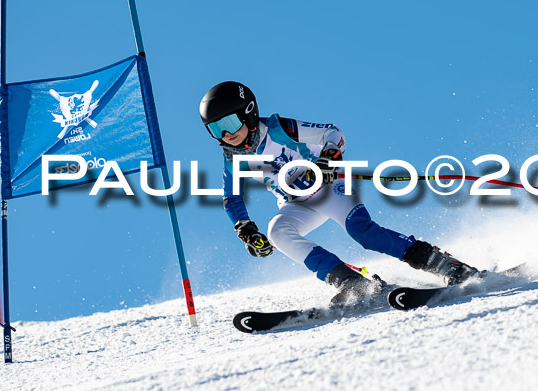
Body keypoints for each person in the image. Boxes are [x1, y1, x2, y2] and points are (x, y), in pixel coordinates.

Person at [199, 81, 478, 305]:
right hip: (296, 204)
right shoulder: (232, 159)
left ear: (248, 112)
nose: (226, 135)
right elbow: (231, 199)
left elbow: (332, 132)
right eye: (216, 129)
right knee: (277, 231)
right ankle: (351, 282)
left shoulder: (279, 128)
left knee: (363, 233)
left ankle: (445, 265)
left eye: (231, 124)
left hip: (329, 188)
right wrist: (247, 230)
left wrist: (328, 159)